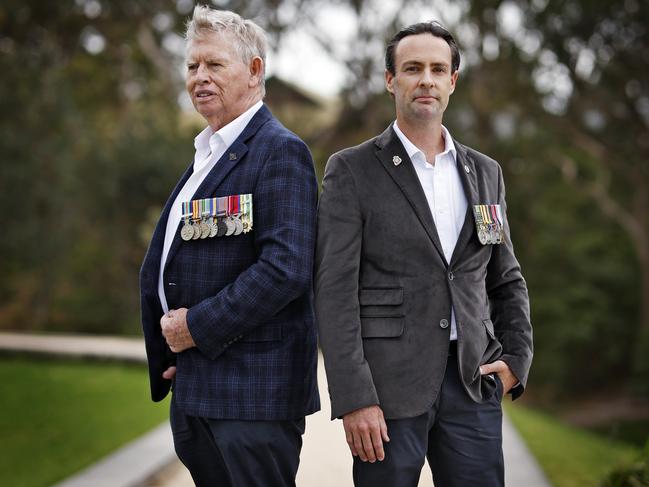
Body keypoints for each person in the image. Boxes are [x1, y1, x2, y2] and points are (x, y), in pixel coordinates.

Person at [315, 21, 533, 487]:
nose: (426, 80)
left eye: (438, 69)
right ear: (391, 80)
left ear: (453, 81)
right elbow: (334, 292)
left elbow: (505, 277)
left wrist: (517, 359)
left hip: (472, 385)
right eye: (412, 69)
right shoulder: (351, 170)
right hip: (386, 395)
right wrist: (355, 397)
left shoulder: (485, 172)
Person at [139, 6, 319, 486]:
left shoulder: (280, 151)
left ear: (255, 71)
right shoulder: (206, 155)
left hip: (253, 400)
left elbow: (287, 268)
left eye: (214, 65)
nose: (199, 76)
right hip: (200, 388)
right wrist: (177, 357)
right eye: (193, 65)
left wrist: (193, 328)